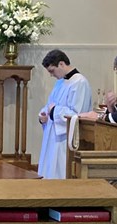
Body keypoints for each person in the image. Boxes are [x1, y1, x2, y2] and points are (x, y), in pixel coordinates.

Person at [38, 49, 92, 178]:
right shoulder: (60, 82)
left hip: (65, 139)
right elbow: (50, 105)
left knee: (60, 174)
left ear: (61, 64)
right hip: (52, 136)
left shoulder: (80, 82)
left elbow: (78, 115)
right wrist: (43, 115)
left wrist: (54, 111)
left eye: (52, 71)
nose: (51, 75)